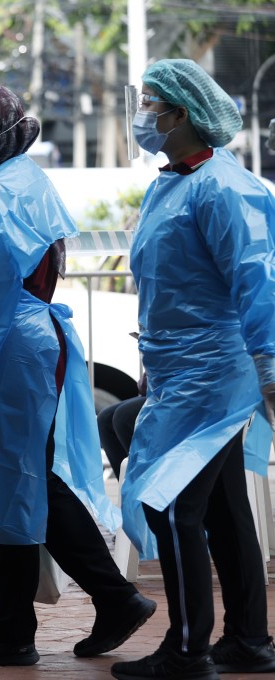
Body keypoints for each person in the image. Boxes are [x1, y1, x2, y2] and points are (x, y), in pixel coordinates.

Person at [0, 84, 156, 667]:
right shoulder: (22, 177)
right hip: (29, 341)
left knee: (15, 481)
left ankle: (32, 623)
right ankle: (42, 617)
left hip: (9, 347)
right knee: (21, 480)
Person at [110, 59, 275, 680]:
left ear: (180, 114)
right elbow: (170, 283)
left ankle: (186, 650)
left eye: (149, 103)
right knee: (224, 509)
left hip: (212, 373)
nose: (141, 114)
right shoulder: (174, 183)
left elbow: (257, 280)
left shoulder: (225, 187)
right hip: (183, 368)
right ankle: (249, 641)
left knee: (171, 502)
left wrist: (269, 366)